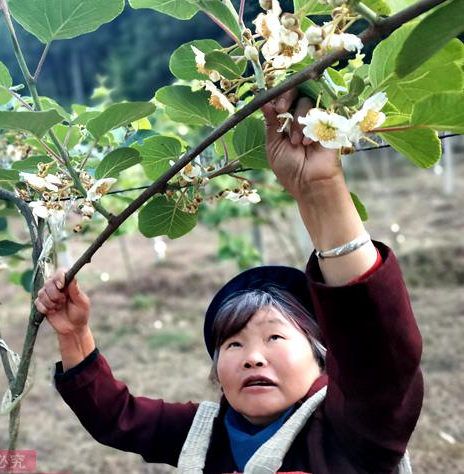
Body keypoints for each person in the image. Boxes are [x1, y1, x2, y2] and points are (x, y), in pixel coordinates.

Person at [34, 90, 423, 473]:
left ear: (322, 356)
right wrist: (73, 334)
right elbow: (115, 416)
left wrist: (321, 189)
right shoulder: (205, 433)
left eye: (274, 337)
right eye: (233, 343)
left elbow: (378, 358)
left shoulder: (351, 430)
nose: (253, 357)